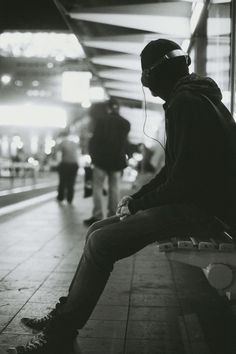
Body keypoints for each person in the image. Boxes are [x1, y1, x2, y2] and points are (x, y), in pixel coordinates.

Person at [8, 38, 236, 354]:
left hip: (202, 209)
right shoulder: (194, 98)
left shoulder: (186, 103)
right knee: (96, 230)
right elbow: (173, 172)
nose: (145, 82)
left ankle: (61, 335)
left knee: (102, 243)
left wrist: (141, 203)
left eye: (146, 74)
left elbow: (183, 181)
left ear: (154, 73)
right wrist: (137, 197)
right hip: (200, 203)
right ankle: (63, 316)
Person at [83, 99, 130, 226]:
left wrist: (92, 157)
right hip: (117, 161)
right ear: (118, 108)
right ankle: (113, 216)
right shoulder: (126, 123)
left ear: (108, 108)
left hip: (101, 160)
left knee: (97, 187)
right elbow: (125, 143)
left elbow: (94, 141)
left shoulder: (102, 121)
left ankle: (98, 215)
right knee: (114, 188)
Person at [56, 130, 79, 205]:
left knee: (62, 181)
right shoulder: (75, 143)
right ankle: (70, 198)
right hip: (74, 164)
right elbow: (78, 154)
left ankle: (61, 197)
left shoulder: (62, 143)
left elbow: (59, 155)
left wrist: (59, 164)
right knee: (71, 182)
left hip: (65, 164)